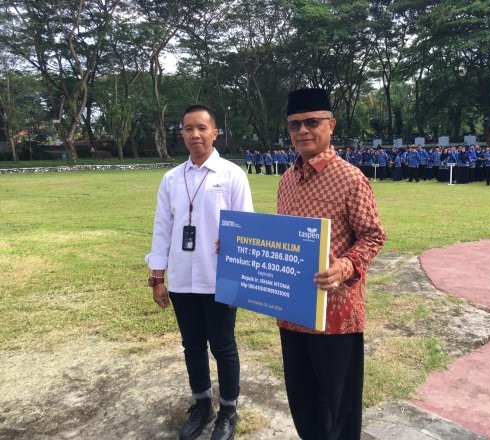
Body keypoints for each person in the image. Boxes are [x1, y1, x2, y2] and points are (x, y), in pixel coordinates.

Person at [277, 88, 386, 440]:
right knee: (304, 400)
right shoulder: (287, 179)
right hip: (293, 309)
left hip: (336, 313)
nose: (303, 131)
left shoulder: (351, 178)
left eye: (312, 122)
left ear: (331, 125)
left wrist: (345, 267)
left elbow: (373, 236)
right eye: (295, 124)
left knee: (340, 406)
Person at [145, 104, 254, 440]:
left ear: (215, 132)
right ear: (182, 134)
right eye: (188, 128)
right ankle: (202, 403)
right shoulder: (172, 178)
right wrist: (158, 277)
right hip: (181, 278)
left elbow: (245, 226)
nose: (195, 134)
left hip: (218, 277)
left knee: (223, 344)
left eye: (202, 128)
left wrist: (235, 256)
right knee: (191, 344)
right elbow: (162, 228)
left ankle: (228, 410)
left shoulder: (232, 174)